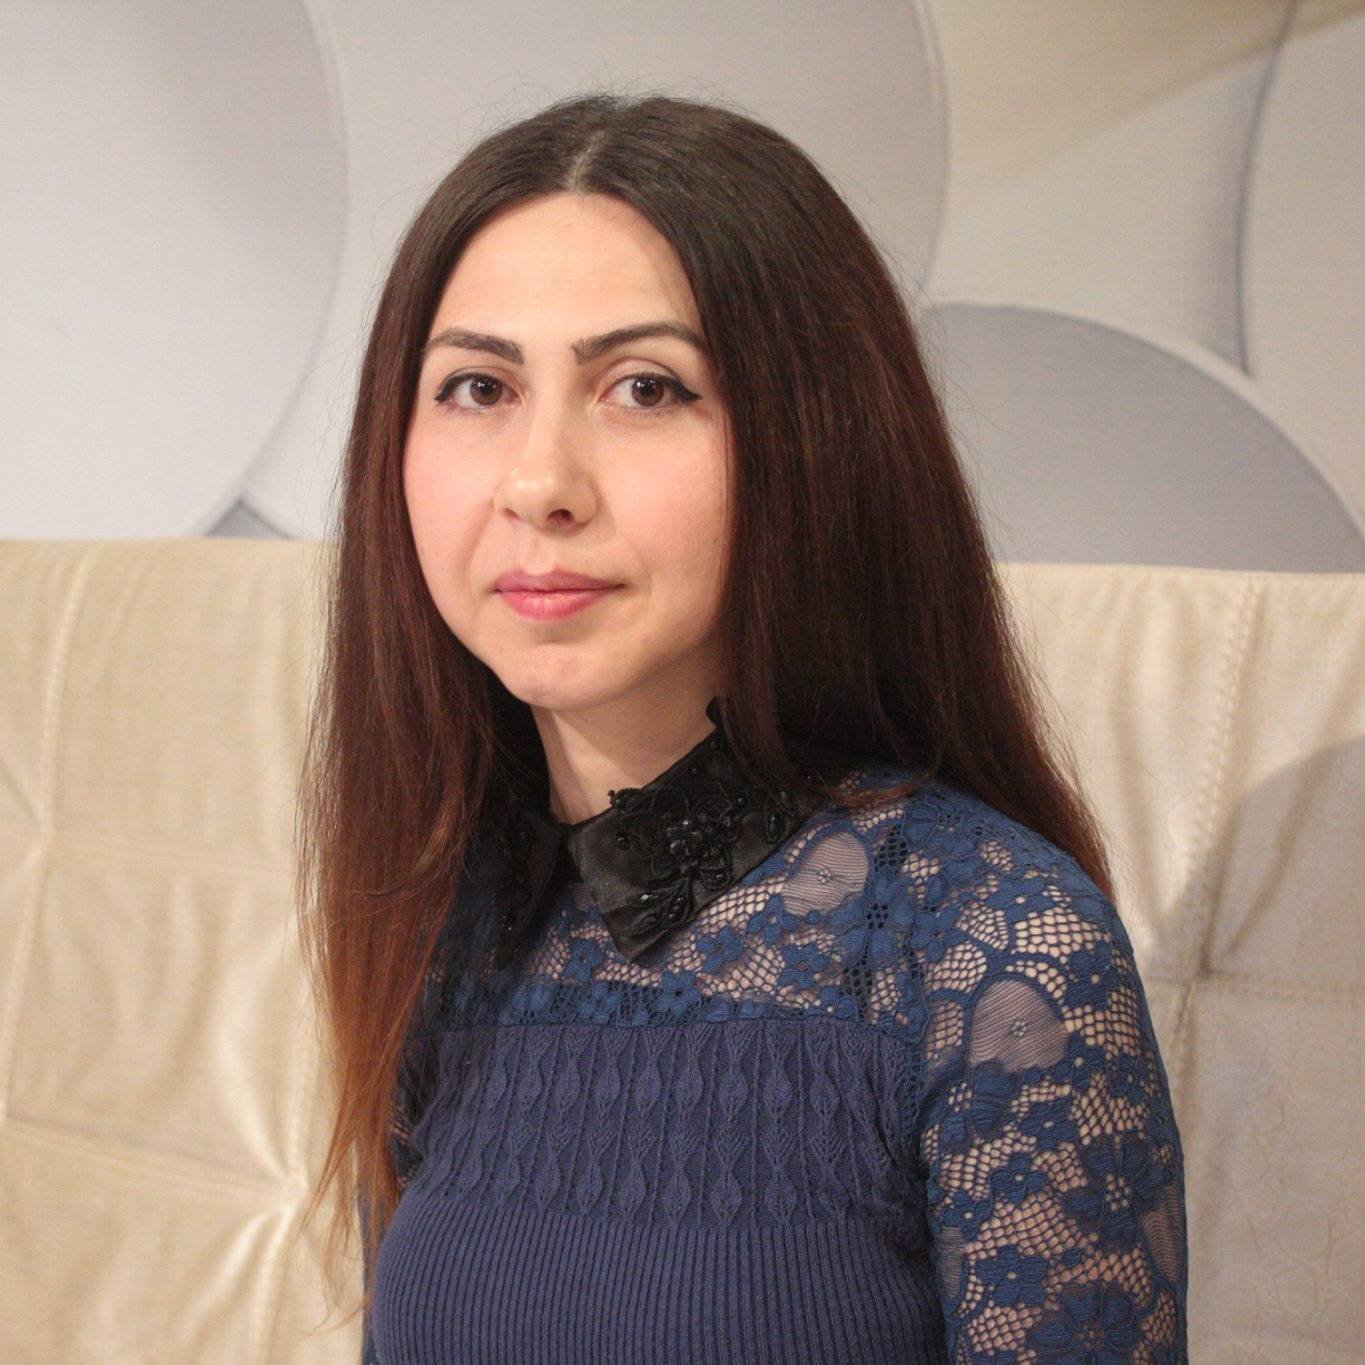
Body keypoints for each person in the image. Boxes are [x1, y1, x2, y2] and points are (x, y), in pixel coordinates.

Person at [295, 91, 1188, 1363]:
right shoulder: (450, 912)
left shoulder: (992, 946)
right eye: (478, 386)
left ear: (816, 441)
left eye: (644, 387)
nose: (539, 482)